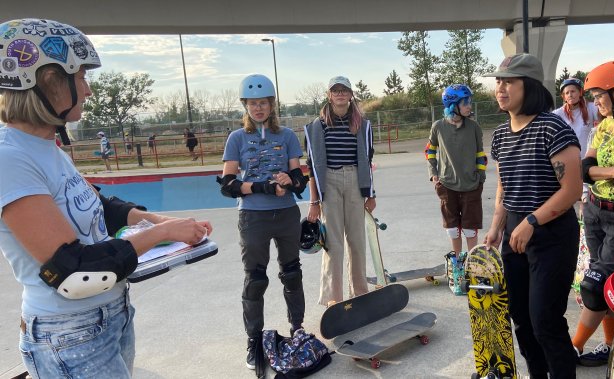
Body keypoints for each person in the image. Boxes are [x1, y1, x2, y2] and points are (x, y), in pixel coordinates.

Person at [0, 18, 211, 379]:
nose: (87, 90)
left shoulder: (47, 147)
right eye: (80, 77)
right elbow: (73, 270)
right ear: (48, 82)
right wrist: (159, 234)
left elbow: (100, 206)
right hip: (69, 332)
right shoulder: (9, 157)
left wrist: (163, 223)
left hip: (108, 318)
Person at [483, 53, 583, 378]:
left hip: (552, 234)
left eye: (509, 81)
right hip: (514, 233)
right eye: (498, 81)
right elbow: (504, 187)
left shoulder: (552, 127)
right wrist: (495, 228)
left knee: (545, 321)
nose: (500, 88)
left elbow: (571, 190)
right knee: (521, 319)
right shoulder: (499, 135)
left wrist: (532, 221)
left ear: (530, 85)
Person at [218, 73, 307, 370]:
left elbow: (299, 177)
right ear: (245, 105)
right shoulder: (237, 138)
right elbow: (229, 184)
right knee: (255, 280)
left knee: (292, 273)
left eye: (264, 103)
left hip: (286, 214)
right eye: (253, 103)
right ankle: (254, 340)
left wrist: (288, 179)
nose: (259, 108)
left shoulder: (287, 136)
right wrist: (262, 187)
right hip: (253, 216)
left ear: (272, 104)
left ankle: (297, 329)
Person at [570, 60, 614, 367]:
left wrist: (603, 172)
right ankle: (612, 346)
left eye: (600, 94)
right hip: (595, 210)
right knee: (609, 282)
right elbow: (585, 170)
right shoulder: (602, 127)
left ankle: (573, 346)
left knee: (595, 284)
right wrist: (612, 171)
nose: (595, 101)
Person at [304, 76, 376, 307]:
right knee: (333, 244)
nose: (340, 94)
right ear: (329, 95)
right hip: (330, 182)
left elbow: (368, 159)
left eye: (344, 90)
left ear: (350, 94)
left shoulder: (361, 123)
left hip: (355, 179)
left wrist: (371, 194)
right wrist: (314, 201)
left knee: (357, 240)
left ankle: (360, 292)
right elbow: (312, 166)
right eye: (336, 90)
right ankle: (333, 299)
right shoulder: (319, 125)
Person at [425, 84, 487, 253]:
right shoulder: (438, 127)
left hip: (471, 185)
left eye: (470, 102)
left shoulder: (474, 127)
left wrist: (480, 177)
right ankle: (457, 263)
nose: (469, 106)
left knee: (470, 228)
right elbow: (430, 150)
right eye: (465, 103)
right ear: (453, 106)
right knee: (452, 228)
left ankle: (473, 264)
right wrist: (434, 174)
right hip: (447, 184)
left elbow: (480, 154)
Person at [552, 77, 599, 160]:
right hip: (568, 160)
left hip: (587, 159)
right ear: (563, 96)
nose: (570, 95)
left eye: (573, 91)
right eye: (567, 93)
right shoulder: (557, 114)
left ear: (580, 92)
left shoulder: (591, 107)